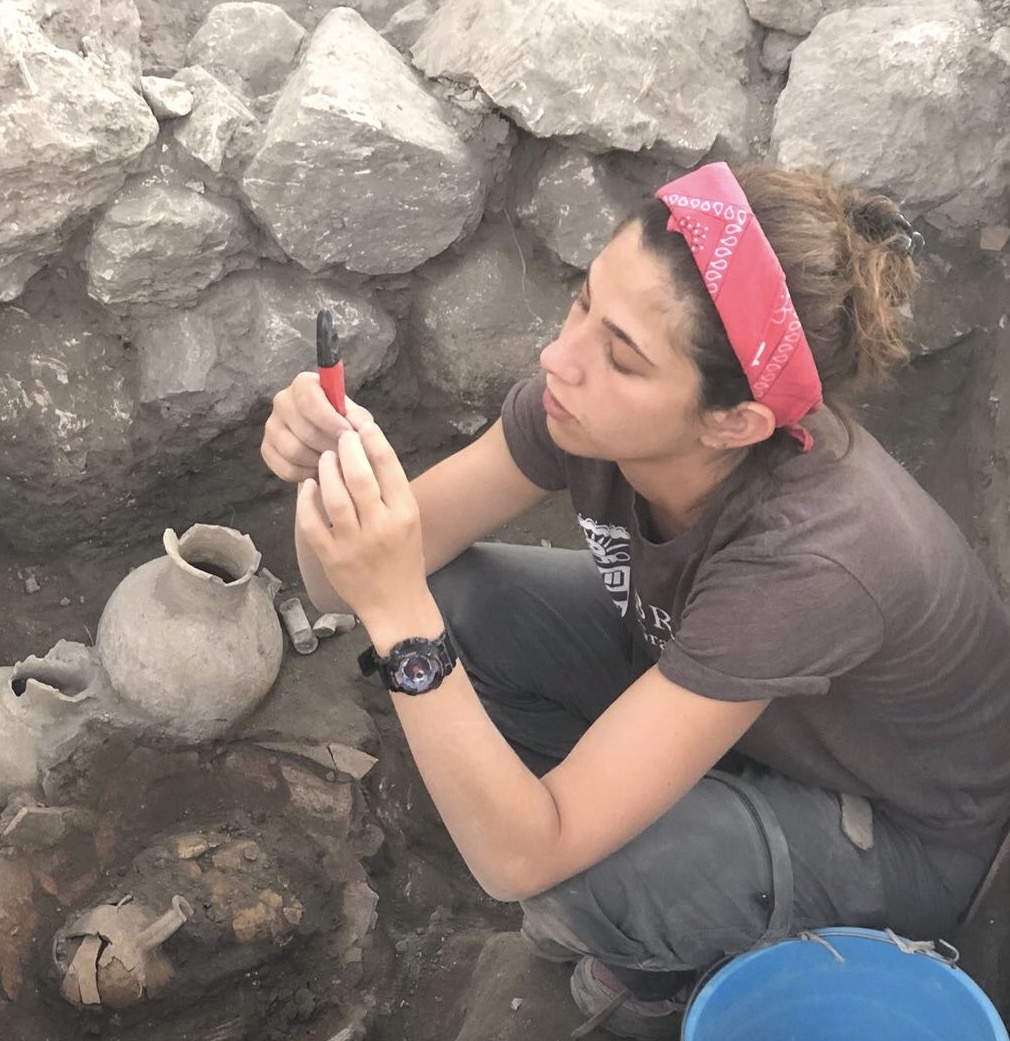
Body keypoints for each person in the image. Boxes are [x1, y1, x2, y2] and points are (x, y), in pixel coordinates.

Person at [260, 162, 1010, 1039]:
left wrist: (396, 615)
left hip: (903, 834)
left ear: (733, 422)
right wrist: (329, 476)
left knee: (569, 875)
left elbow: (513, 860)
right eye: (583, 301)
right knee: (449, 598)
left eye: (621, 355)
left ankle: (664, 952)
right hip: (748, 704)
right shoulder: (577, 409)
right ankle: (659, 837)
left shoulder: (812, 557)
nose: (559, 358)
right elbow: (342, 584)